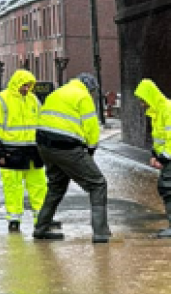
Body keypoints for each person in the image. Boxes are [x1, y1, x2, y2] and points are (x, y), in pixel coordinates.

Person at [33, 73, 112, 243]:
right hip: (66, 146)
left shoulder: (58, 92)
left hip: (44, 145)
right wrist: (91, 149)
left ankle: (41, 228)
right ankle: (101, 232)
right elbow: (91, 126)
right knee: (98, 184)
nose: (91, 94)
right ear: (89, 87)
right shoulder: (83, 96)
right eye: (92, 91)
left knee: (56, 186)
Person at [0, 69, 53, 233]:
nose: (26, 88)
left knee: (39, 186)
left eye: (29, 85)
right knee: (13, 187)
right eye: (24, 85)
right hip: (12, 152)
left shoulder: (33, 100)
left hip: (32, 152)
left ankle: (42, 219)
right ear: (16, 83)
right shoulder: (1, 101)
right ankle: (14, 220)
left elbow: (41, 124)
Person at [134, 78, 171, 238]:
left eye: (143, 100)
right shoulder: (158, 111)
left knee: (169, 188)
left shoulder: (168, 109)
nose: (142, 104)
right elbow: (160, 138)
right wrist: (155, 154)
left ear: (149, 97)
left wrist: (162, 159)